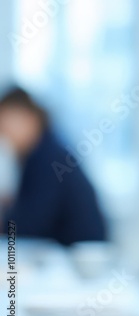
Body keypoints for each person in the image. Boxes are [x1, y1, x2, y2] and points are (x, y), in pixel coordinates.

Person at [0, 86, 107, 246]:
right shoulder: (44, 150)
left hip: (77, 256)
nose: (5, 136)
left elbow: (30, 224)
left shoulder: (49, 158)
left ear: (30, 119)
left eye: (6, 127)